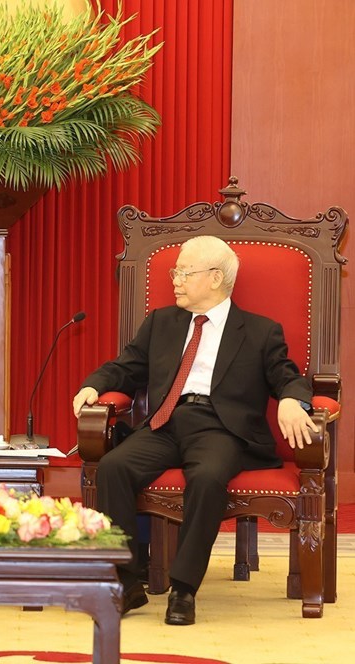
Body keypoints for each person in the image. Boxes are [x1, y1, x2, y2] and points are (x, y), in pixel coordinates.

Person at [72, 235, 318, 626]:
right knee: (114, 467)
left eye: (184, 272)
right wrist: (94, 385)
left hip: (221, 429)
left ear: (216, 277)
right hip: (166, 422)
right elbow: (126, 366)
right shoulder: (162, 322)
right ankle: (127, 581)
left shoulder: (259, 331)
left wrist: (292, 399)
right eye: (175, 272)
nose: (176, 280)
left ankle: (183, 589)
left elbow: (287, 377)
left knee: (206, 477)